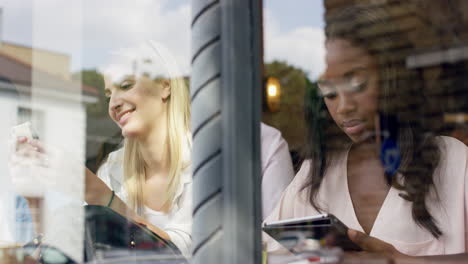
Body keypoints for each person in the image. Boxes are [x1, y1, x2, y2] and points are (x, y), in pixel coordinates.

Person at [264, 5, 468, 262]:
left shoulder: (454, 161)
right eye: (329, 92)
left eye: (357, 84)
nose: (344, 106)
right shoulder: (315, 174)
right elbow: (271, 255)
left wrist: (402, 261)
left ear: (391, 77)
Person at [89, 41, 192, 257]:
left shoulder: (205, 161)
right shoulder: (113, 168)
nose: (113, 104)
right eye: (109, 94)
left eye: (125, 85)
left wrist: (104, 199)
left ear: (165, 86)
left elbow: (183, 253)